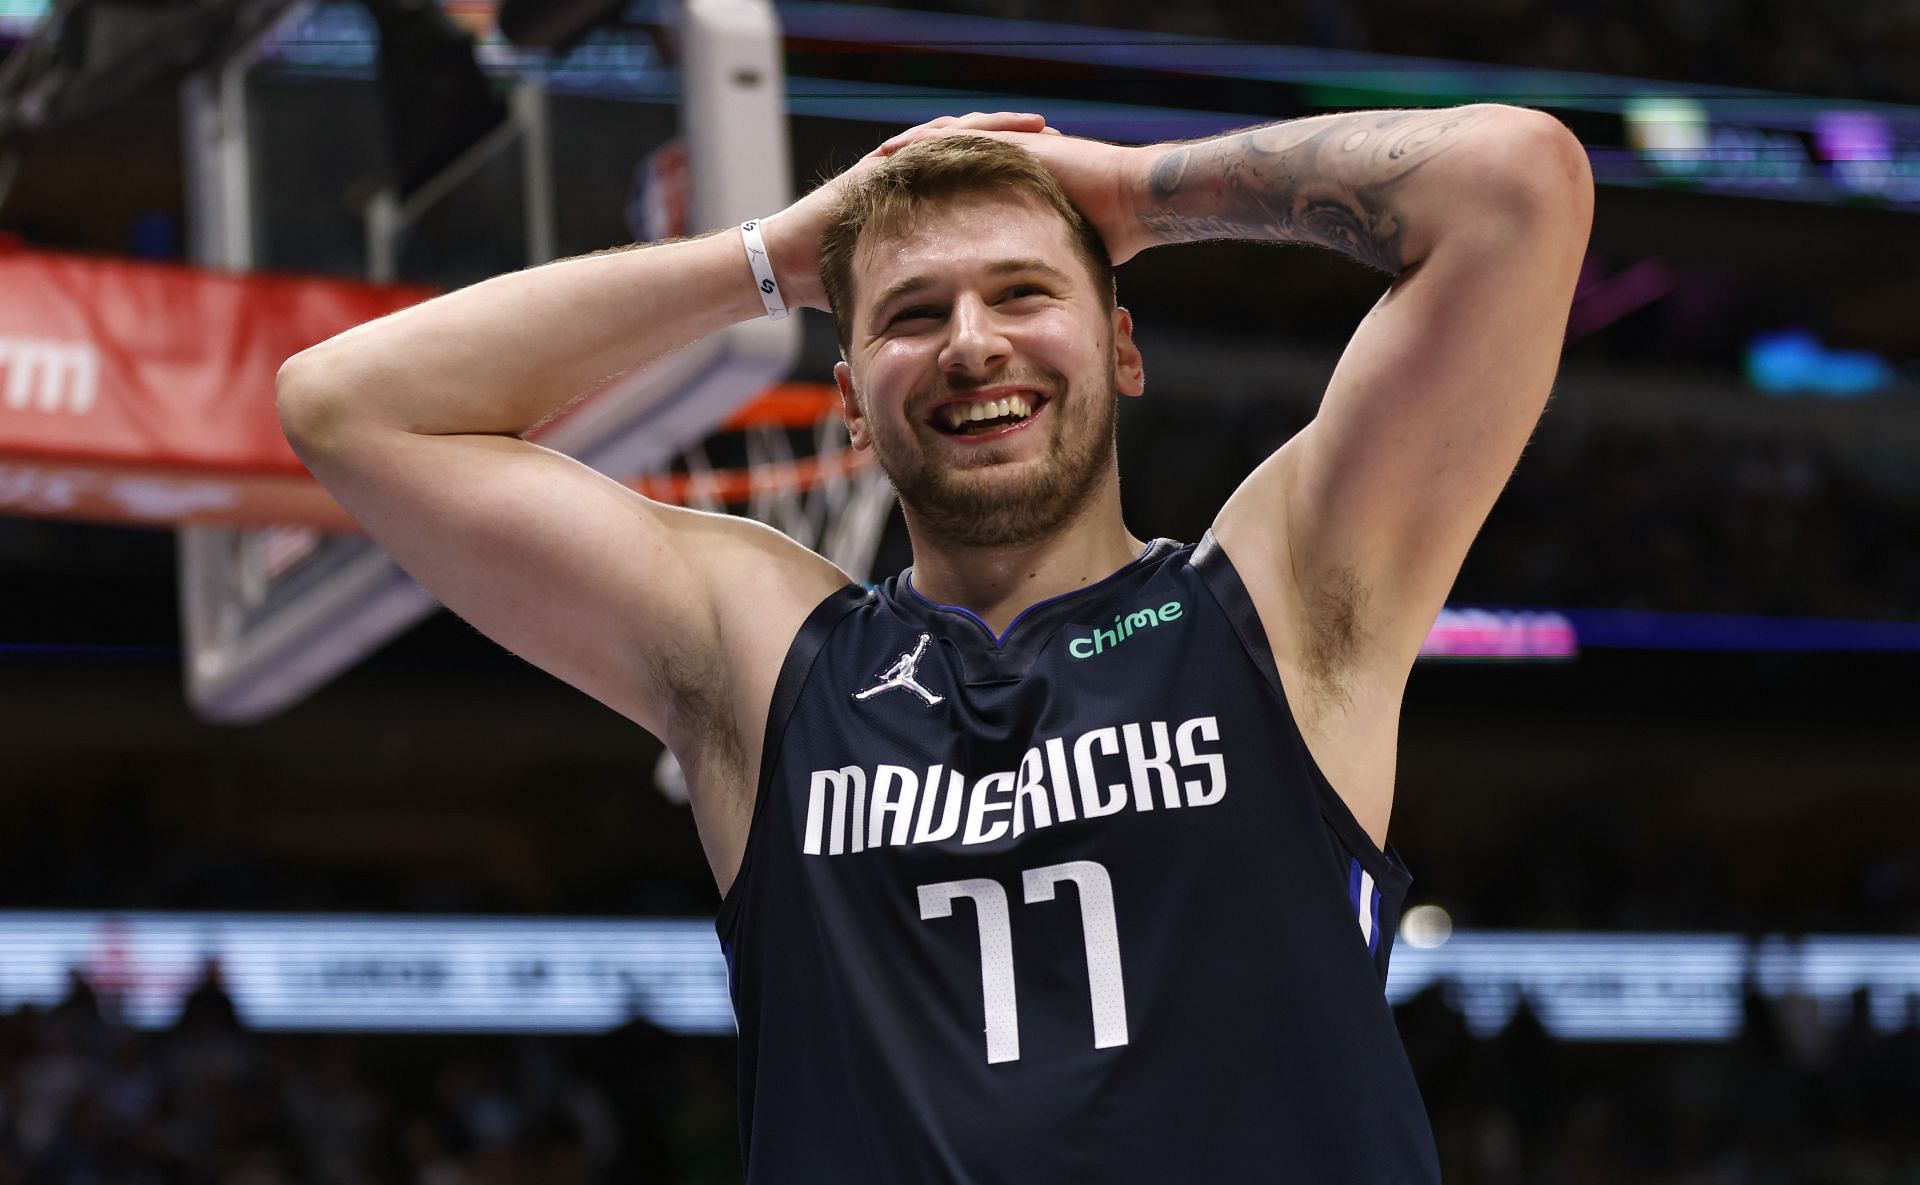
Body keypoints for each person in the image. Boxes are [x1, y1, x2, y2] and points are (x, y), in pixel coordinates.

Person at [277, 105, 1591, 1182]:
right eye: (911, 315)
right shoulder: (770, 662)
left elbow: (1517, 186)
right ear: (848, 402)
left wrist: (1137, 190)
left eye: (1025, 292)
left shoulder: (1286, 602)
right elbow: (348, 405)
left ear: (1122, 347)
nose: (971, 344)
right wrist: (775, 259)